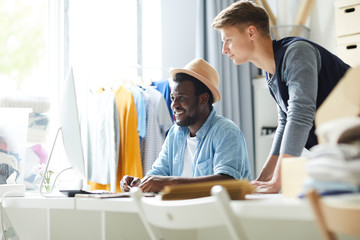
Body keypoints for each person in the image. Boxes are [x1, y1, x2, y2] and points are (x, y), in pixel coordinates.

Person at [212, 1, 350, 193]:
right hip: (342, 148)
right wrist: (263, 179)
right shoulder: (272, 71)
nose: (224, 49)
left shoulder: (297, 52)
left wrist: (278, 181)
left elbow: (301, 115)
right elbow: (285, 123)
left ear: (251, 32)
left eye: (228, 40)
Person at [121, 58, 251, 193]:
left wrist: (171, 182)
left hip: (218, 213)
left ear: (203, 98)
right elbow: (158, 174)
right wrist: (139, 183)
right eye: (172, 98)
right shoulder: (175, 133)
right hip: (183, 211)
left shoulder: (226, 132)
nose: (174, 105)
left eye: (181, 98)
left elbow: (228, 181)